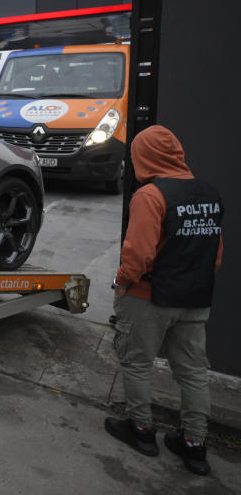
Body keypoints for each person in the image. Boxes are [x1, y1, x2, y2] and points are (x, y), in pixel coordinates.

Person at [104, 125, 224, 476]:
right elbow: (215, 256)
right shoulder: (209, 193)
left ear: (144, 157)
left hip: (149, 298)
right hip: (195, 297)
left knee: (138, 362)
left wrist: (121, 283)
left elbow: (137, 255)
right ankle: (194, 444)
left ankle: (141, 430)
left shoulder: (150, 196)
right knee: (193, 372)